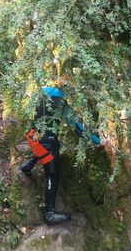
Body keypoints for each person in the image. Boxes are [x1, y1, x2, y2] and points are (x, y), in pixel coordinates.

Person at [20, 83, 102, 225]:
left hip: (33, 137)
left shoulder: (38, 96)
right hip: (47, 144)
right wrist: (97, 141)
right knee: (52, 174)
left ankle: (28, 166)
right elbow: (78, 129)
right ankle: (50, 214)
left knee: (46, 146)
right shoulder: (61, 104)